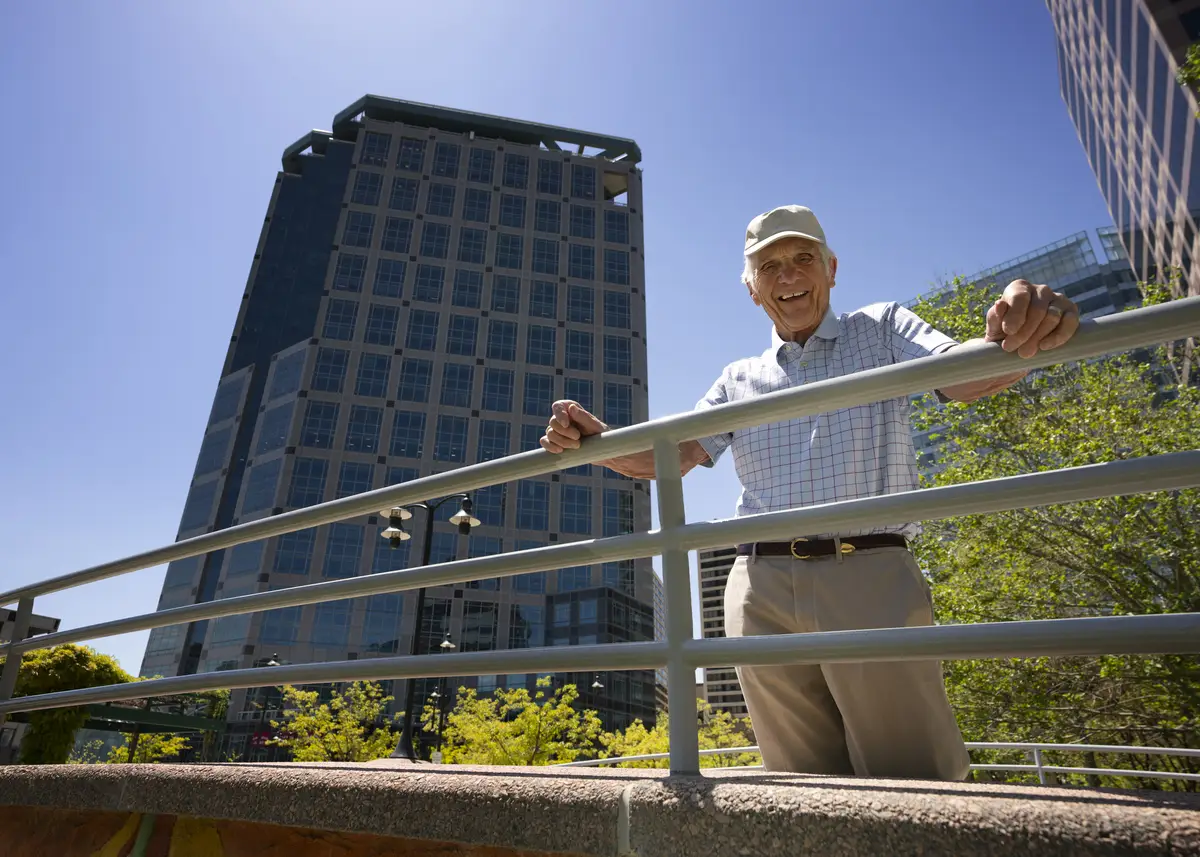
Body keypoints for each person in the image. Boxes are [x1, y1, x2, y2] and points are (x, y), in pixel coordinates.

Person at [540, 205, 1081, 779]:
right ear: (752, 289)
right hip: (758, 588)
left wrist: (1020, 332)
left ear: (832, 268)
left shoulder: (881, 328)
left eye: (804, 259)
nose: (789, 275)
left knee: (914, 775)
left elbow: (964, 374)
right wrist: (594, 444)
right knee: (798, 782)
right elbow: (672, 457)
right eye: (769, 266)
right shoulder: (738, 377)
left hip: (867, 569)